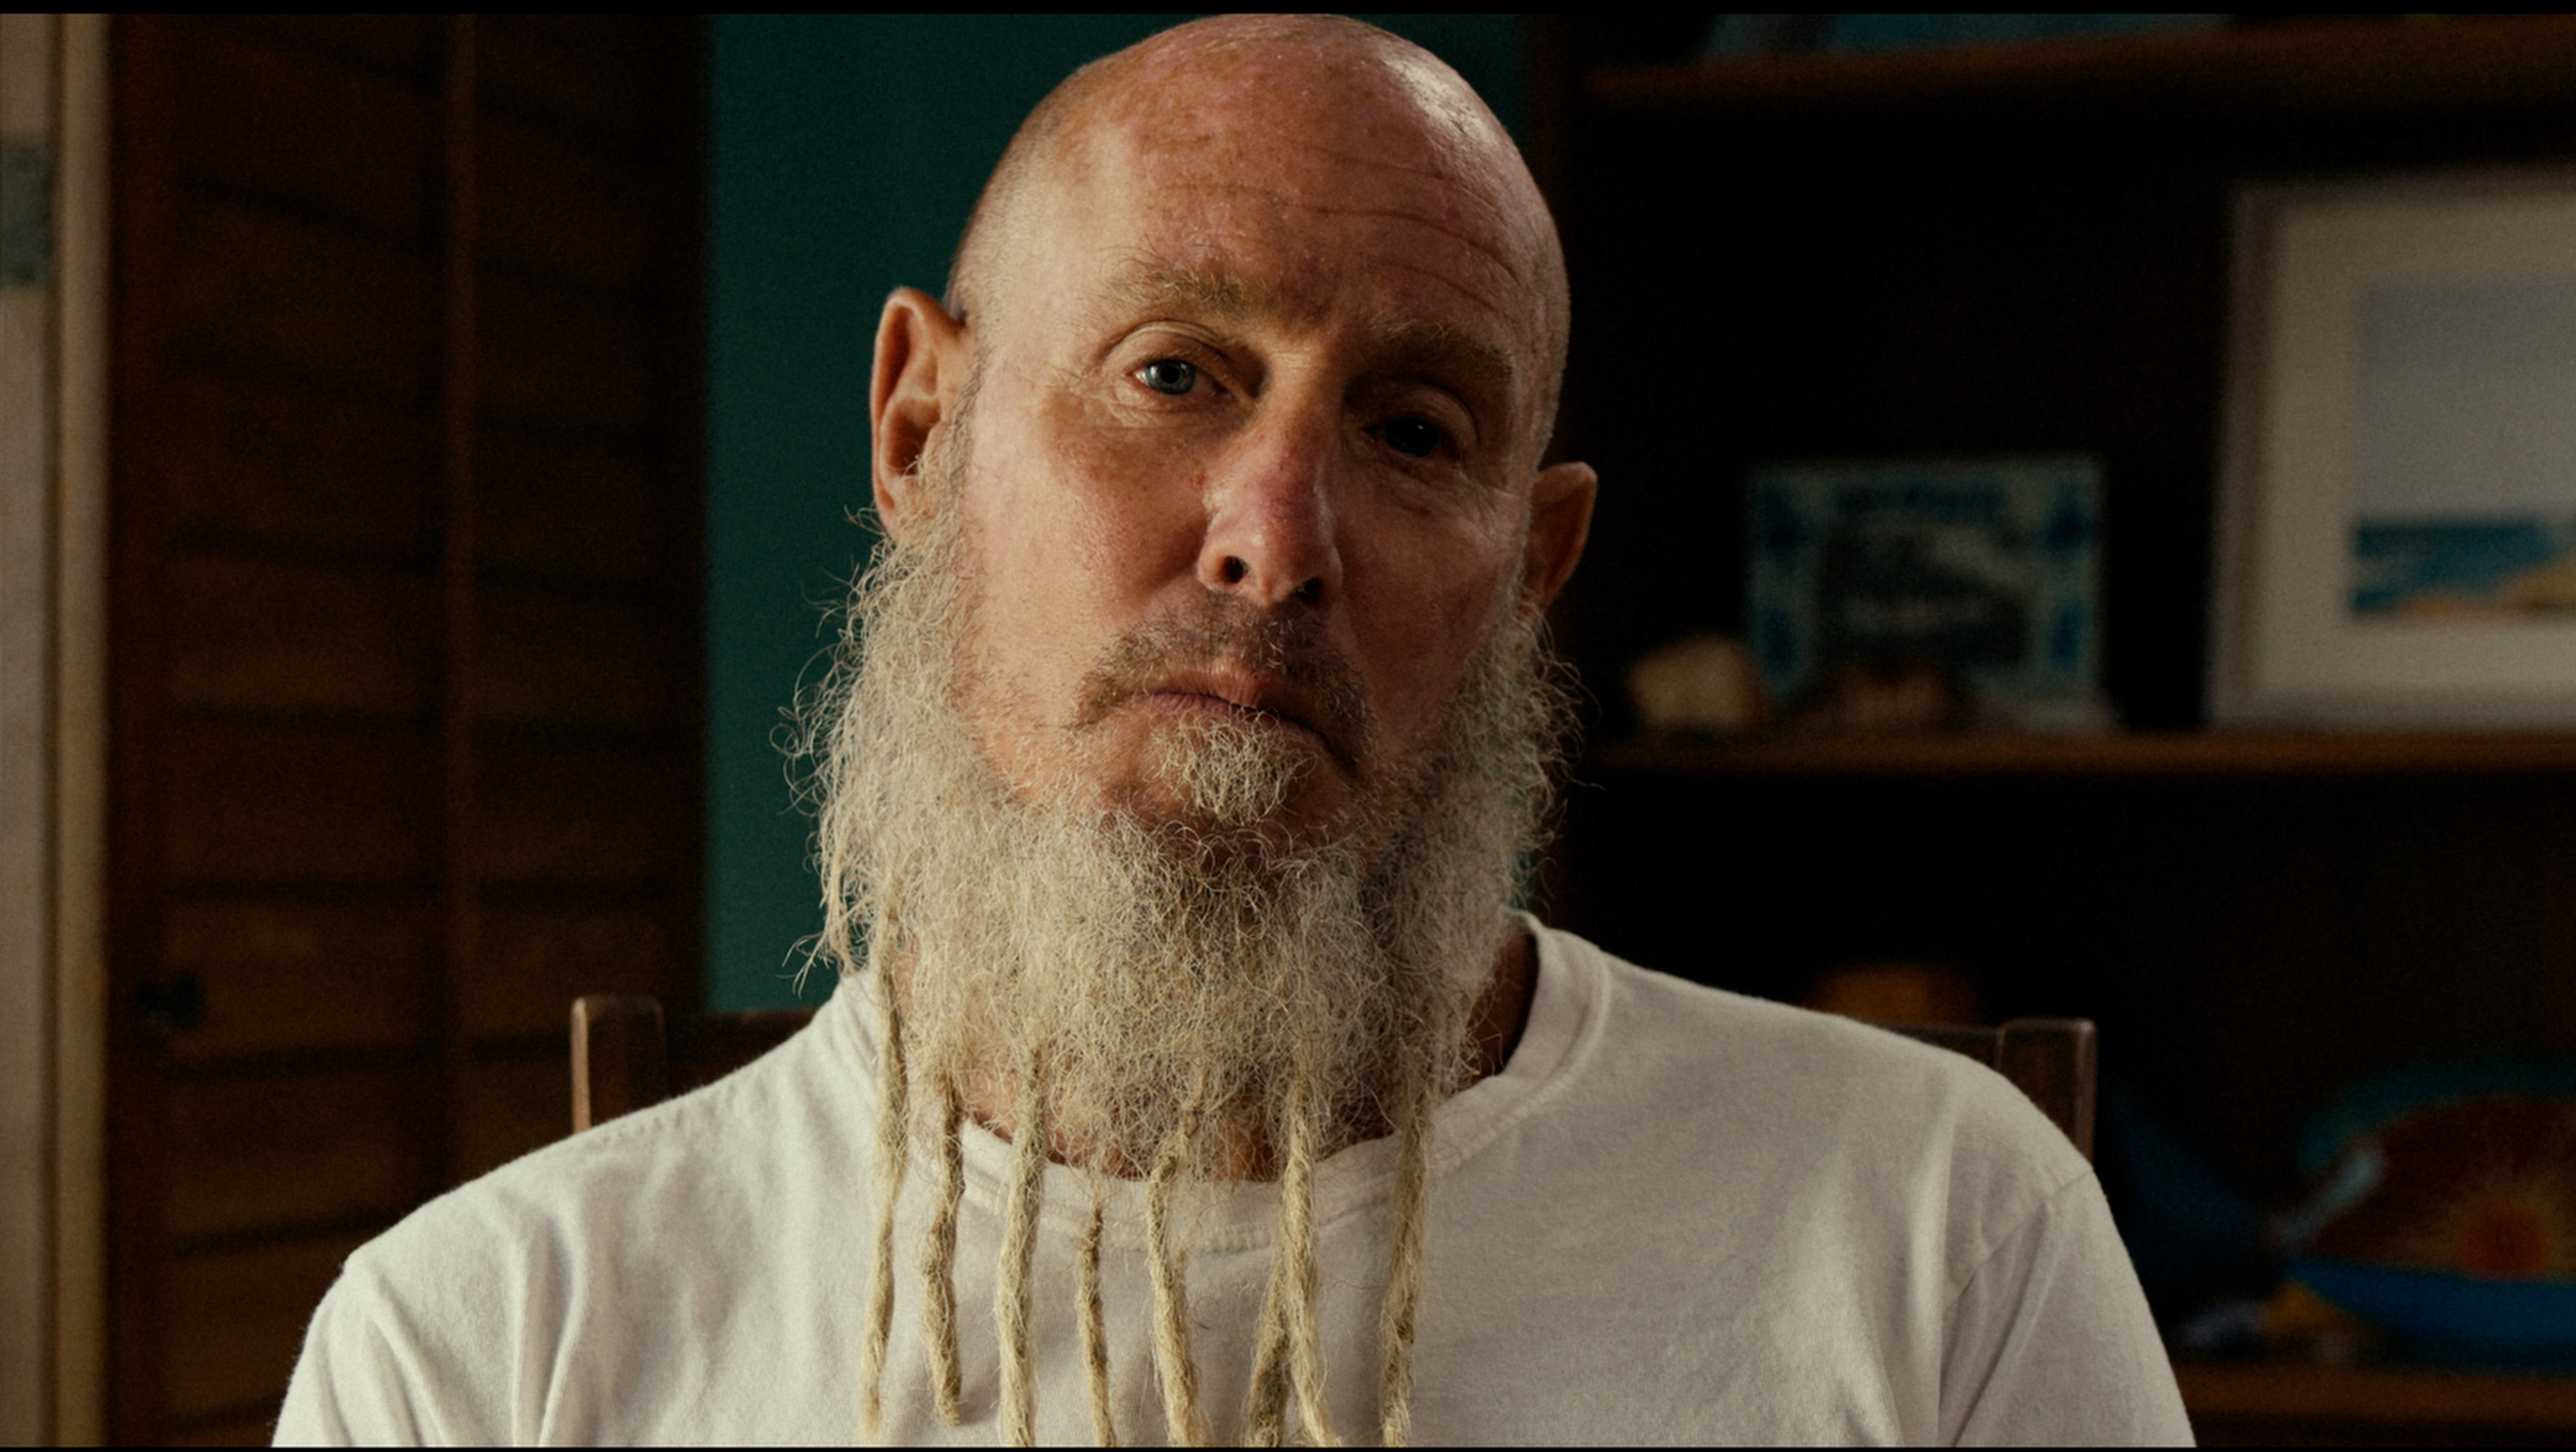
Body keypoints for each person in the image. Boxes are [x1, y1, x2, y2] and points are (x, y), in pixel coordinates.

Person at [276, 16, 2191, 1446]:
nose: (1276, 539)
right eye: (1174, 373)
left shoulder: (1941, 1234)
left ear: (1531, 569)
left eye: (1413, 430)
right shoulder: (482, 1349)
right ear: (920, 431)